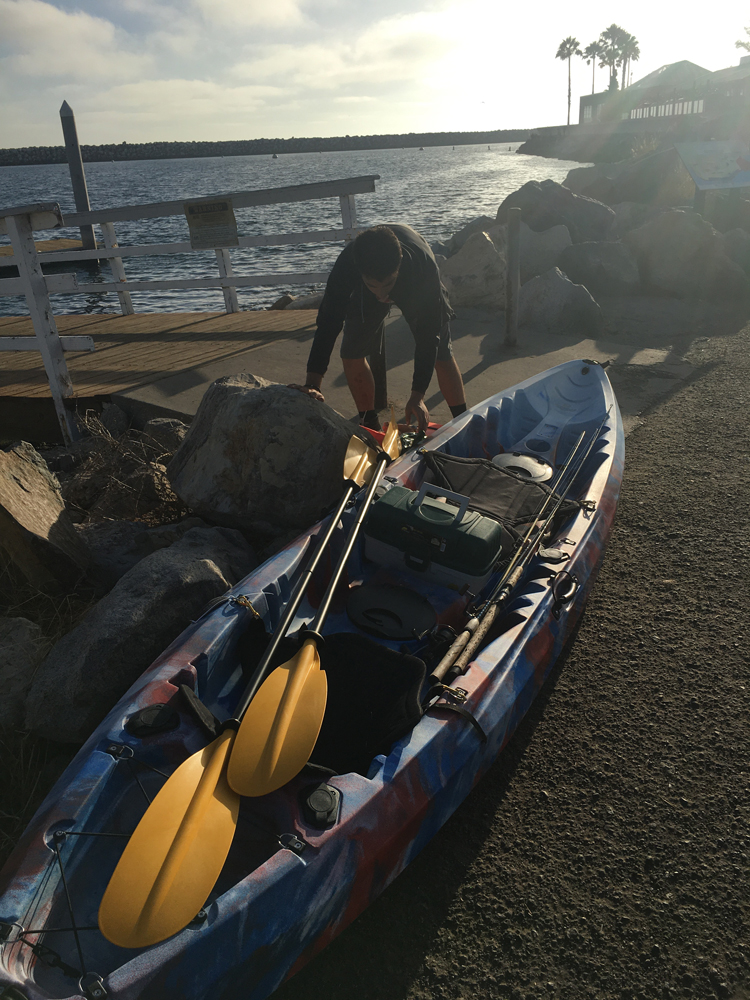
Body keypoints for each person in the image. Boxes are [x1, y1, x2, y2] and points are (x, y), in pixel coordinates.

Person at [289, 224, 467, 432]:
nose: (382, 295)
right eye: (374, 285)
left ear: (399, 265)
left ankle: (464, 422)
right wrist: (313, 383)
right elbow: (329, 320)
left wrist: (417, 396)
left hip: (412, 282)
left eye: (388, 284)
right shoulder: (347, 264)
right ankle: (369, 424)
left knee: (442, 353)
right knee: (351, 351)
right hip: (367, 286)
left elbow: (429, 335)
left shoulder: (422, 266)